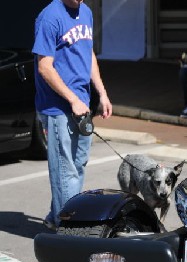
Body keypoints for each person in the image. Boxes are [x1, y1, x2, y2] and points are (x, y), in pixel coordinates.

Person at [33, 0, 112, 231]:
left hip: (82, 104)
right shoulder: (49, 17)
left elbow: (89, 56)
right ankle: (69, 226)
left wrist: (102, 93)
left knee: (78, 164)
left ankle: (56, 215)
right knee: (64, 169)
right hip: (57, 107)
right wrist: (72, 99)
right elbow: (44, 67)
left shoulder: (86, 12)